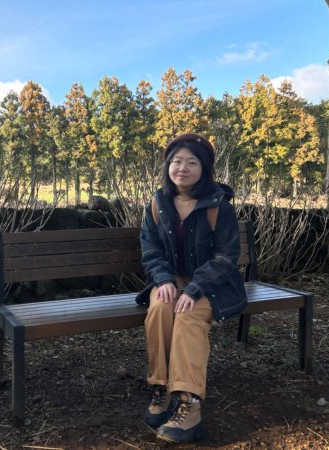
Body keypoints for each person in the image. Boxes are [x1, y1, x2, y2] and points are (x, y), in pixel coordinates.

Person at [135, 133, 247, 443]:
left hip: (210, 284)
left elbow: (225, 257)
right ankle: (161, 387)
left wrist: (194, 288)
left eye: (192, 162)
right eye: (176, 161)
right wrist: (163, 280)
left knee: (188, 316)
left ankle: (189, 404)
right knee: (160, 308)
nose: (182, 168)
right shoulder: (157, 203)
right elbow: (151, 249)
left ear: (205, 168)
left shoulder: (219, 207)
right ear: (168, 166)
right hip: (171, 280)